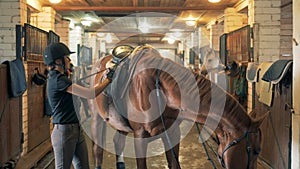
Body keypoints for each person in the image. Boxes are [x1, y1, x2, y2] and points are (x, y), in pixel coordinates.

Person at [43, 42, 114, 169]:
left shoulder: (63, 78)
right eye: (66, 57)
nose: (69, 60)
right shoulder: (58, 80)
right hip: (64, 131)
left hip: (76, 129)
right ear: (59, 61)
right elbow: (90, 93)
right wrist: (108, 79)